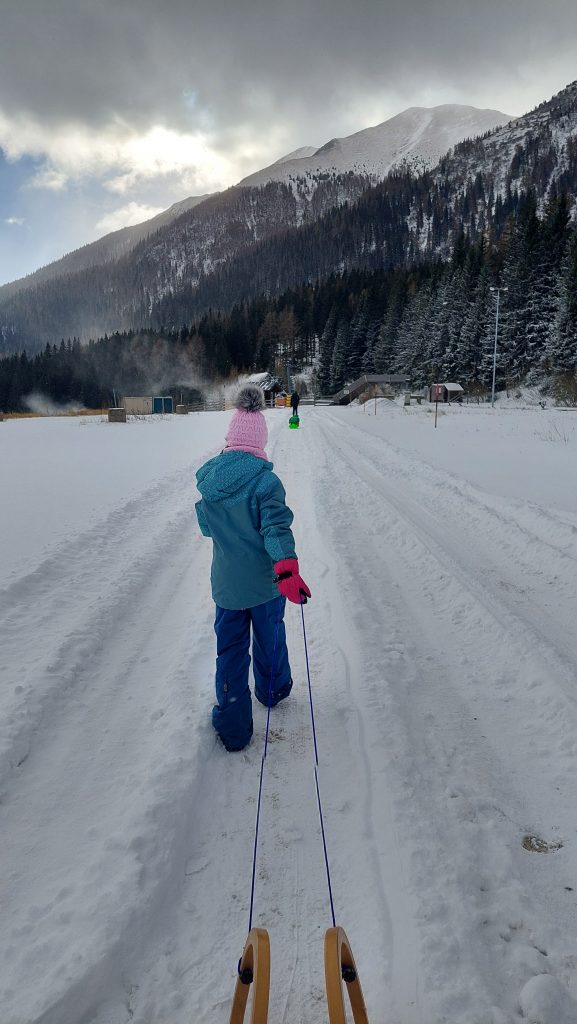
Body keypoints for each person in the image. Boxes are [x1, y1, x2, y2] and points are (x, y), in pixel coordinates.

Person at [195, 384, 311, 752]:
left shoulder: (209, 484)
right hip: (265, 586)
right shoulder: (265, 482)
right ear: (260, 442)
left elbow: (207, 528)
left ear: (230, 441)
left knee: (230, 652)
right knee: (269, 638)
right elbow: (276, 529)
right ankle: (273, 690)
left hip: (227, 588)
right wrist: (287, 569)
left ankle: (233, 728)